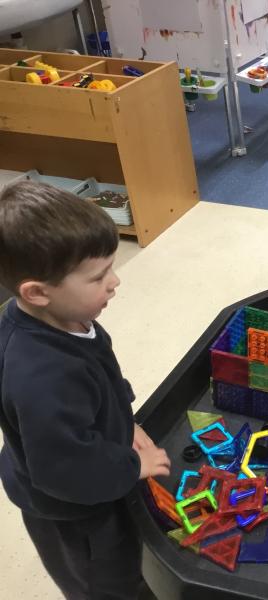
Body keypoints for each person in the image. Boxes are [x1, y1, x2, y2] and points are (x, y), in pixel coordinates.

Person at [0, 181, 171, 599]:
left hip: (84, 463)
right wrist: (132, 466)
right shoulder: (43, 377)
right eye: (98, 276)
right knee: (105, 584)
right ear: (37, 292)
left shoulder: (68, 318)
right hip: (76, 510)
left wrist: (124, 420)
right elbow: (65, 471)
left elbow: (103, 375)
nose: (115, 282)